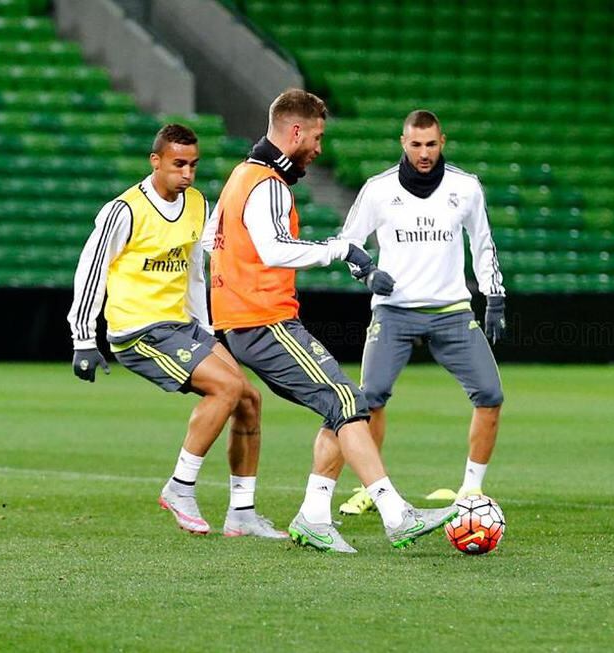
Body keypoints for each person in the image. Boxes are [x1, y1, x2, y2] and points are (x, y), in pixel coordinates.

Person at [204, 88, 457, 553]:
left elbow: (210, 244)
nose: (319, 149)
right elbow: (273, 249)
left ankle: (315, 516)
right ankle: (396, 515)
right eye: (317, 137)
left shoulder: (240, 177)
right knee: (346, 398)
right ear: (295, 132)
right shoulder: (267, 184)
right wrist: (341, 249)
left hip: (241, 320)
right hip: (265, 321)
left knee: (341, 404)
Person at [67, 124, 285, 538]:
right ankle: (180, 487)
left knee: (250, 399)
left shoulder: (198, 204)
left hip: (183, 324)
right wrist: (83, 338)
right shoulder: (125, 209)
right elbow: (91, 268)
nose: (187, 174)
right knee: (226, 388)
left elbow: (195, 272)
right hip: (139, 329)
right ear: (156, 161)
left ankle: (242, 513)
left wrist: (208, 328)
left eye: (193, 165)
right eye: (178, 164)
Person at [332, 109, 506, 516]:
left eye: (430, 144)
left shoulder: (466, 188)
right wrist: (368, 271)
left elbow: (483, 244)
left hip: (451, 310)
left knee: (491, 395)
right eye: (416, 144)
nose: (424, 153)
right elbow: (347, 242)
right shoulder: (378, 190)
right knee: (368, 399)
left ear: (442, 142)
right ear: (403, 143)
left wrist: (495, 297)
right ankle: (372, 489)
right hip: (394, 312)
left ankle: (471, 491)